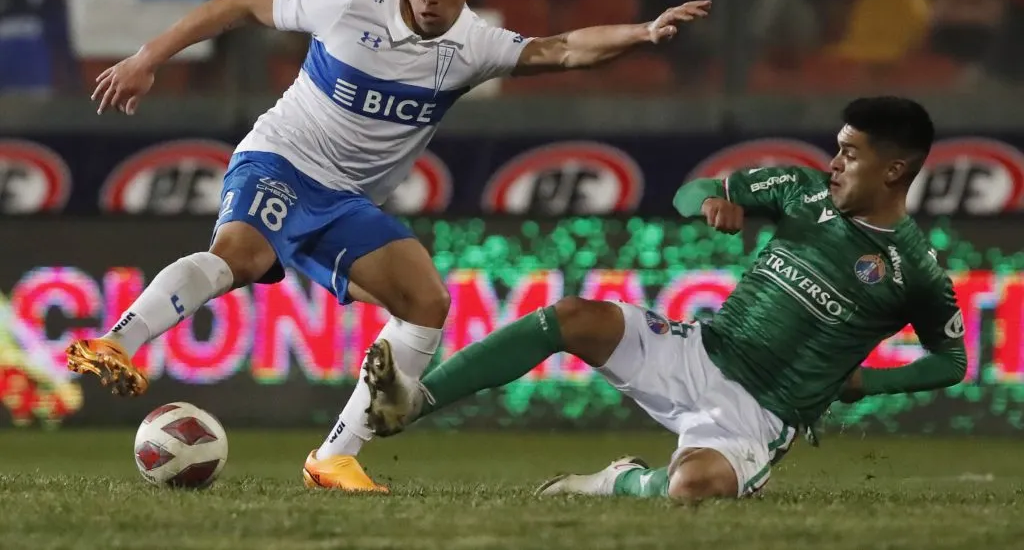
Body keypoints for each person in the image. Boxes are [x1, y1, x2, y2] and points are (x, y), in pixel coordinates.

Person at [63, 0, 710, 492]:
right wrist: (148, 57)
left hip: (343, 200)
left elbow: (563, 48)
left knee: (425, 301)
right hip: (280, 158)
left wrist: (643, 32)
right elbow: (237, 6)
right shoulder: (346, 5)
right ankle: (118, 340)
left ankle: (336, 457)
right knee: (239, 254)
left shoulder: (474, 46)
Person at [362, 96, 968, 501]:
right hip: (702, 349)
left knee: (692, 487)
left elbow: (952, 362)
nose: (833, 164)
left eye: (851, 154)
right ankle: (415, 402)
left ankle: (619, 483)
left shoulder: (915, 271)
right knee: (573, 316)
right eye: (837, 148)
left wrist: (866, 385)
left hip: (762, 411)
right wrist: (711, 201)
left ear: (895, 172)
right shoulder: (802, 190)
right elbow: (694, 190)